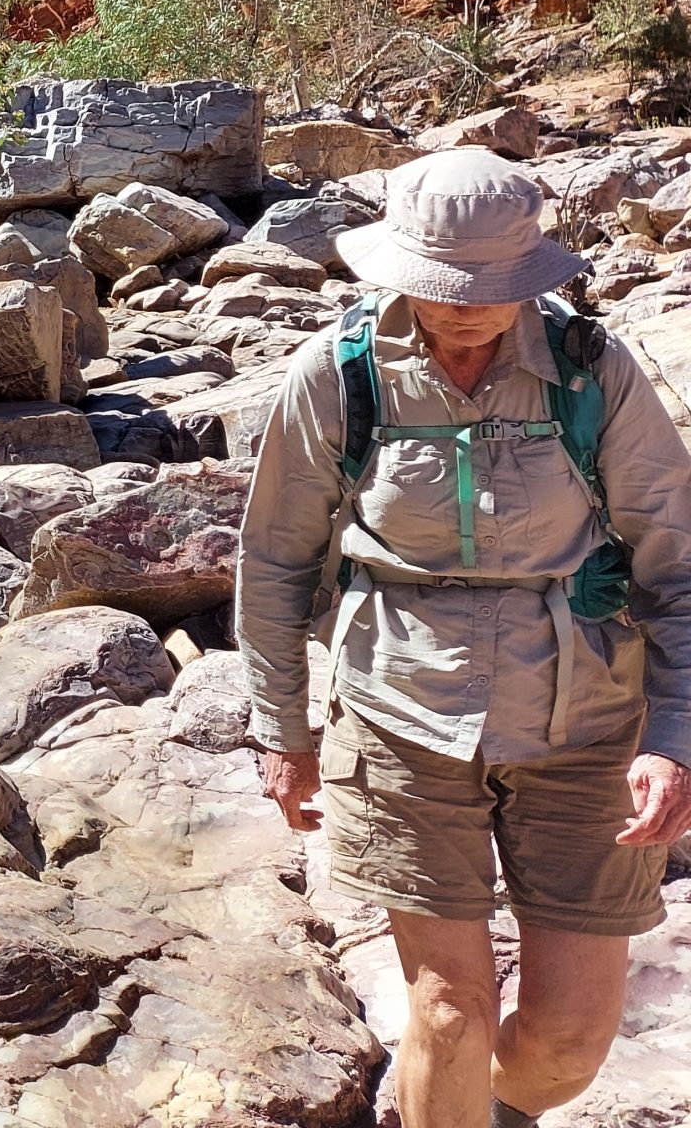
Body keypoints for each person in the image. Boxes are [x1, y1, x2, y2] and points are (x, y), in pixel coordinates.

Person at [237, 149, 691, 1128]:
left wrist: (674, 740)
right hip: (399, 719)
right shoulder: (336, 377)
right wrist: (282, 731)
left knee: (566, 1044)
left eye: (488, 290)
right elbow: (272, 560)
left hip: (584, 728)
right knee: (449, 1011)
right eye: (442, 287)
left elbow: (674, 569)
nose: (463, 310)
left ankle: (460, 1108)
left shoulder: (593, 375)